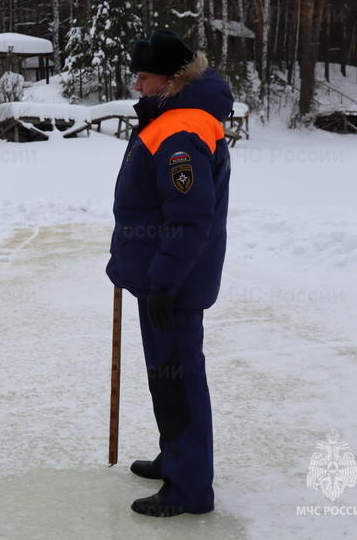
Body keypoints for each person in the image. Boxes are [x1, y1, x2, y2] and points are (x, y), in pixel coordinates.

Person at [106, 30, 233, 516]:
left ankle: (189, 489)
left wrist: (162, 282)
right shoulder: (173, 119)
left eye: (143, 77)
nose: (136, 85)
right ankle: (178, 459)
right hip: (164, 277)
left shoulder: (180, 130)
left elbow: (189, 216)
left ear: (170, 80)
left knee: (178, 380)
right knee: (169, 378)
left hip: (172, 286)